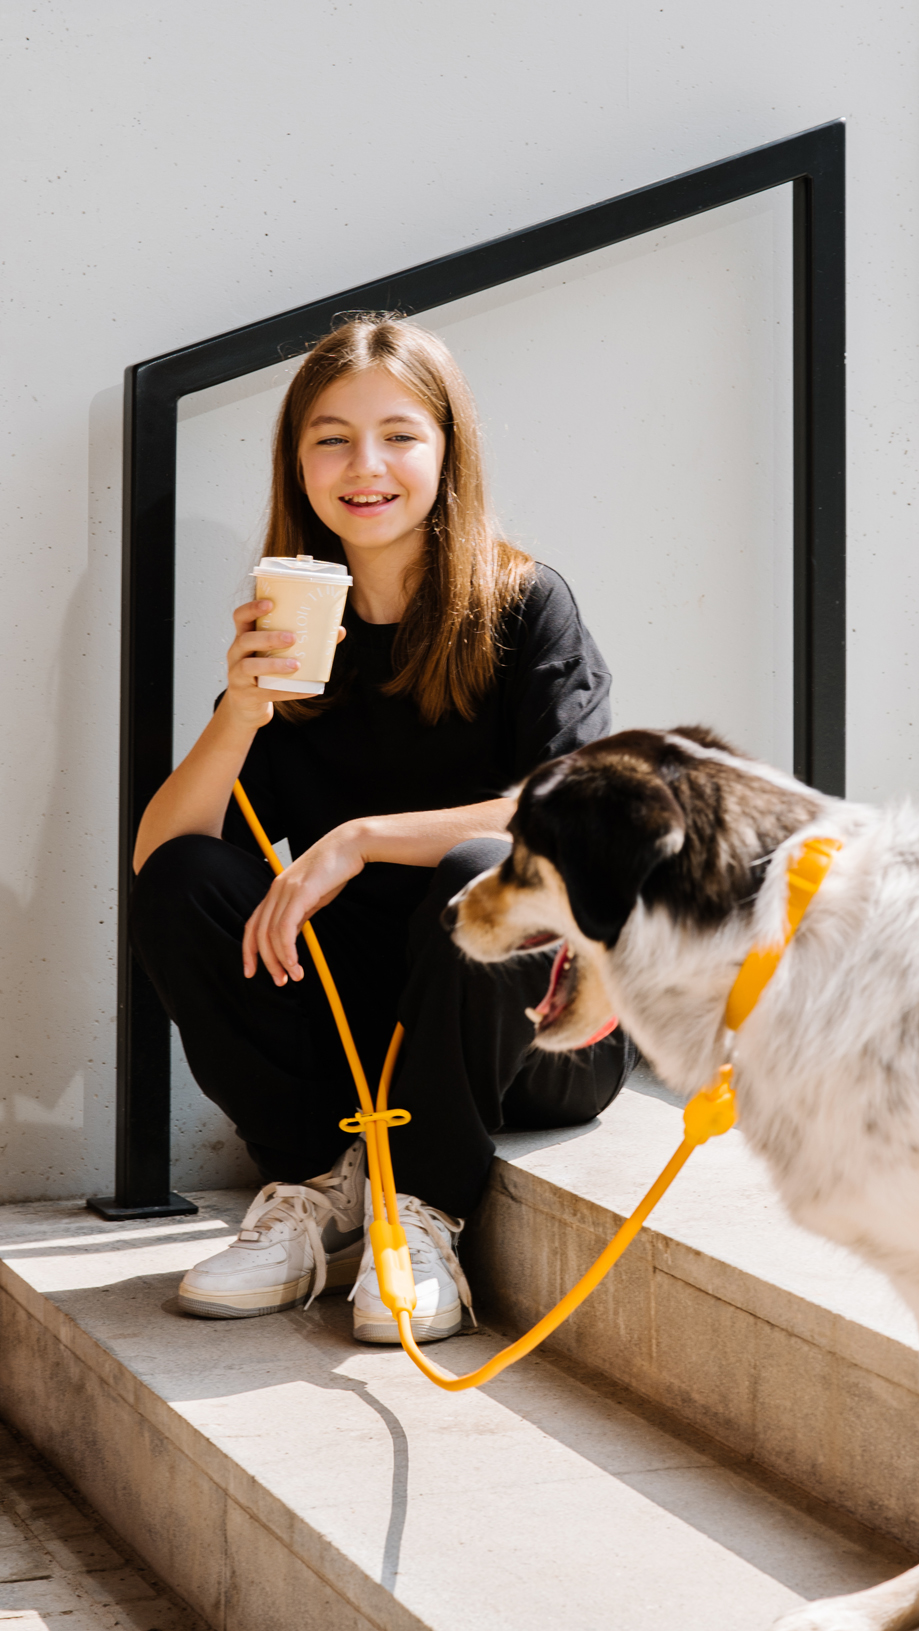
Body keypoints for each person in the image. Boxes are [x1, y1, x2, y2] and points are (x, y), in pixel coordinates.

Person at [132, 316, 633, 1343]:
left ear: (448, 451)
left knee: (480, 868)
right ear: (297, 462)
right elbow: (158, 862)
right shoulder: (298, 624)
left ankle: (424, 1206)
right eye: (331, 438)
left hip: (529, 1027)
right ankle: (320, 1185)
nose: (366, 466)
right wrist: (240, 708)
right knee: (188, 879)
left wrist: (358, 837)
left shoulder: (526, 604)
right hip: (363, 1031)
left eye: (399, 434)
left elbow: (563, 816)